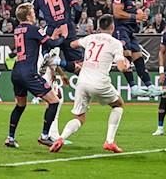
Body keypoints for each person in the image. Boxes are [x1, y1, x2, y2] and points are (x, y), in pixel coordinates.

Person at [50, 15, 130, 153]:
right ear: (112, 27)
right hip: (99, 82)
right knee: (118, 104)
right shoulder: (115, 43)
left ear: (99, 27)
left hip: (82, 81)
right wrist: (126, 63)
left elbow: (73, 44)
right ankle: (109, 141)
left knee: (79, 118)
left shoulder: (91, 38)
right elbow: (122, 68)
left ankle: (61, 138)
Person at [8, 3, 67, 147]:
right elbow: (52, 43)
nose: (35, 15)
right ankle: (45, 135)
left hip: (16, 72)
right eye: (33, 13)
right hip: (28, 73)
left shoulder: (18, 29)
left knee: (20, 105)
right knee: (54, 101)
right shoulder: (33, 29)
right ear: (28, 16)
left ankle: (10, 138)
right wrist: (64, 36)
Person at [112, 0, 166, 97]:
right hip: (121, 29)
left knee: (139, 58)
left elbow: (128, 10)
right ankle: (133, 87)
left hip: (130, 30)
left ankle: (150, 87)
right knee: (127, 55)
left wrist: (137, 12)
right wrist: (134, 16)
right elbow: (117, 13)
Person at [33, 0, 83, 75]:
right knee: (78, 64)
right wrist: (75, 23)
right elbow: (78, 9)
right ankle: (60, 62)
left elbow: (32, 12)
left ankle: (49, 57)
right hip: (67, 28)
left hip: (52, 29)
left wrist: (42, 21)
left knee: (45, 47)